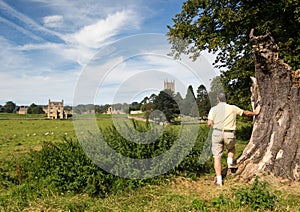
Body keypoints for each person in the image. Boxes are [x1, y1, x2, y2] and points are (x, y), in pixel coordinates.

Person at [207, 92, 260, 186]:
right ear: (226, 99)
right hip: (229, 133)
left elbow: (209, 123)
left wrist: (216, 126)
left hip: (216, 133)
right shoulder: (232, 108)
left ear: (217, 99)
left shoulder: (213, 109)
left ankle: (219, 180)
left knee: (217, 157)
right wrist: (255, 113)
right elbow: (245, 113)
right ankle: (230, 162)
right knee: (231, 148)